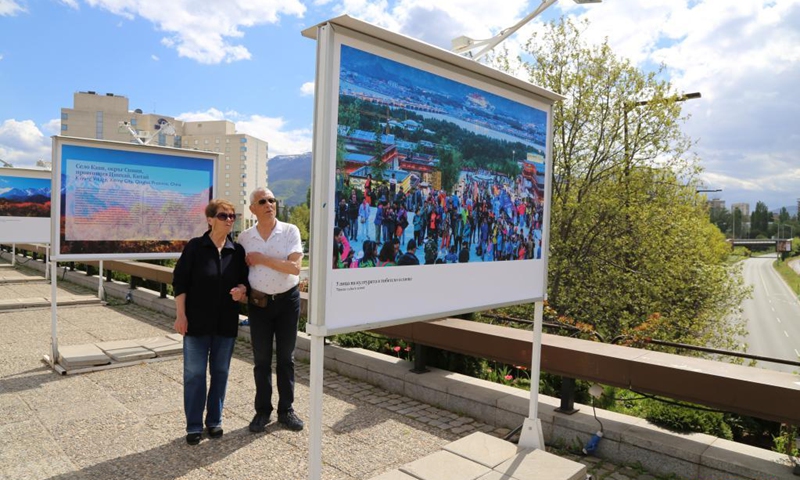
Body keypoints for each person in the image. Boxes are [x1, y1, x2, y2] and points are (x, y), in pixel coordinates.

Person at [173, 199, 248, 445]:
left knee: (220, 373)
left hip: (225, 324)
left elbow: (244, 282)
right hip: (195, 323)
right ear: (209, 219)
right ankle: (194, 426)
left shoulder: (237, 251)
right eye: (223, 215)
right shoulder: (195, 247)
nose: (228, 219)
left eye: (232, 216)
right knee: (194, 375)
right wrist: (181, 315)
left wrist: (241, 290)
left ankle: (214, 421)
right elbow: (180, 282)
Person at [238, 188, 305, 433]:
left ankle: (286, 410)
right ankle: (262, 411)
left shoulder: (290, 231)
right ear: (253, 209)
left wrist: (262, 258)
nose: (269, 204)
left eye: (272, 200)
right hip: (259, 304)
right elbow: (240, 272)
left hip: (287, 302)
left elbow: (295, 267)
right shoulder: (245, 238)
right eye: (263, 201)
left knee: (286, 358)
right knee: (261, 360)